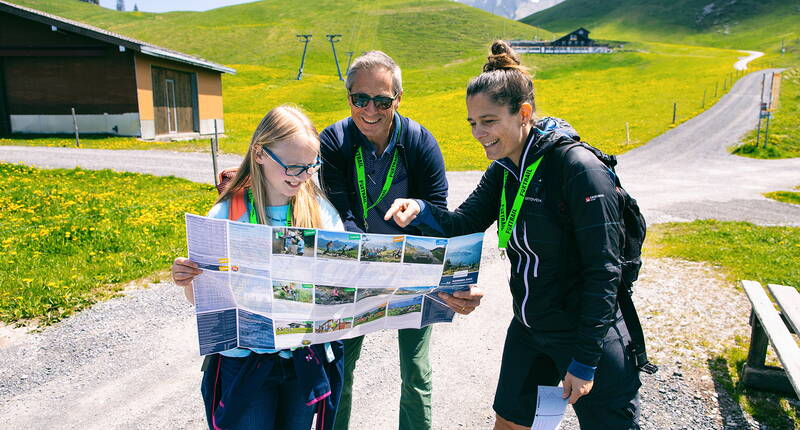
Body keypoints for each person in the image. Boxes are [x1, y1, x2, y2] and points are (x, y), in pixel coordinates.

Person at [385, 41, 642, 430]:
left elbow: (604, 272)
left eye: (488, 121)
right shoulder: (505, 169)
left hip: (586, 335)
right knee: (508, 425)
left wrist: (585, 361)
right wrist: (420, 209)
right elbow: (463, 224)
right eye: (472, 123)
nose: (478, 133)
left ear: (523, 113)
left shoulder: (577, 169)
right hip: (530, 329)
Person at [319, 50, 484, 429]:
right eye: (360, 99)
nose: (370, 110)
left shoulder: (420, 141)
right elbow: (338, 211)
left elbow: (442, 216)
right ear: (348, 98)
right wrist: (370, 255)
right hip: (355, 267)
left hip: (414, 269)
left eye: (382, 100)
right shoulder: (333, 141)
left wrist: (421, 208)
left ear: (398, 99)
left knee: (416, 373)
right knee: (340, 370)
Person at [171, 105, 346, 430]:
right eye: (293, 167)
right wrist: (187, 280)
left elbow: (341, 284)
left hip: (301, 360)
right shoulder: (226, 214)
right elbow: (203, 300)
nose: (302, 177)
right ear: (260, 154)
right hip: (245, 362)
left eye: (311, 166)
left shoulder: (321, 213)